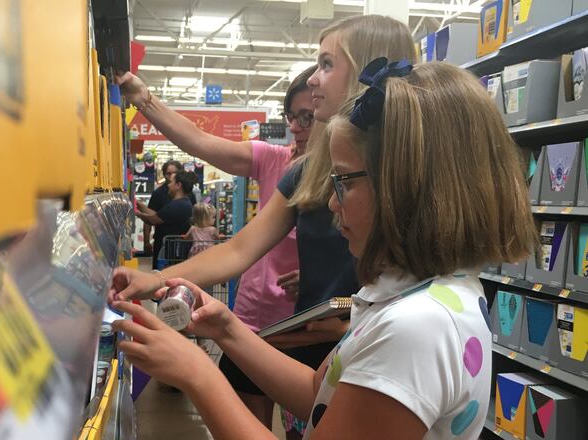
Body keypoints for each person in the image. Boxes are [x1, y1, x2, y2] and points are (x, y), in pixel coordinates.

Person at [112, 60, 539, 440]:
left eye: (344, 182)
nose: (333, 203)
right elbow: (320, 393)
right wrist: (226, 329)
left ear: (407, 186)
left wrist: (198, 375)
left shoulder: (416, 329)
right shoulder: (410, 296)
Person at [111, 14, 418, 438]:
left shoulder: (404, 180)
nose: (313, 79)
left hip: (360, 341)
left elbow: (411, 281)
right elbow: (239, 249)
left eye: (327, 64)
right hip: (309, 343)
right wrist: (159, 280)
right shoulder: (303, 172)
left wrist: (199, 372)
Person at [116, 65, 318, 427]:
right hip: (250, 323)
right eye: (292, 117)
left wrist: (323, 279)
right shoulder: (284, 165)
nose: (297, 128)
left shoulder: (349, 178)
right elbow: (201, 142)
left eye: (308, 116)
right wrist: (144, 98)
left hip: (306, 329)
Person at [136, 170, 197, 269]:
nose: (168, 185)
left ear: (178, 185)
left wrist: (136, 213)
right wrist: (140, 206)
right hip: (173, 251)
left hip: (173, 253)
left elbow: (153, 220)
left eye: (171, 182)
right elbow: (159, 216)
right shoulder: (182, 203)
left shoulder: (178, 205)